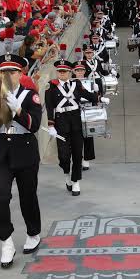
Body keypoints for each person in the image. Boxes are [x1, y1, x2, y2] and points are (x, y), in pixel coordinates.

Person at [0, 54, 43, 268]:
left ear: (21, 74)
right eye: (4, 72)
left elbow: (35, 124)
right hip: (2, 148)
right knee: (0, 196)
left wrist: (18, 110)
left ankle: (33, 232)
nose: (8, 76)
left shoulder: (31, 96)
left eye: (12, 72)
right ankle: (6, 242)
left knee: (27, 196)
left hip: (25, 149)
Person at [45, 59, 109, 196]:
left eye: (65, 71)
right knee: (64, 155)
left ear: (70, 72)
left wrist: (100, 98)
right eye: (60, 71)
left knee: (77, 153)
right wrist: (51, 124)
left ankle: (76, 181)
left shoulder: (76, 84)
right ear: (57, 72)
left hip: (76, 121)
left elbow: (87, 95)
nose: (62, 74)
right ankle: (66, 174)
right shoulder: (51, 86)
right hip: (61, 122)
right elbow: (49, 107)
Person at [72, 60, 102, 171]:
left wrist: (97, 92)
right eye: (77, 71)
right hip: (75, 110)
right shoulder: (71, 82)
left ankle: (86, 159)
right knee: (77, 136)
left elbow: (94, 97)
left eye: (81, 70)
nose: (80, 72)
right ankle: (78, 159)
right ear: (74, 72)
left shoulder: (90, 81)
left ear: (84, 71)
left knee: (88, 135)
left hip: (88, 109)